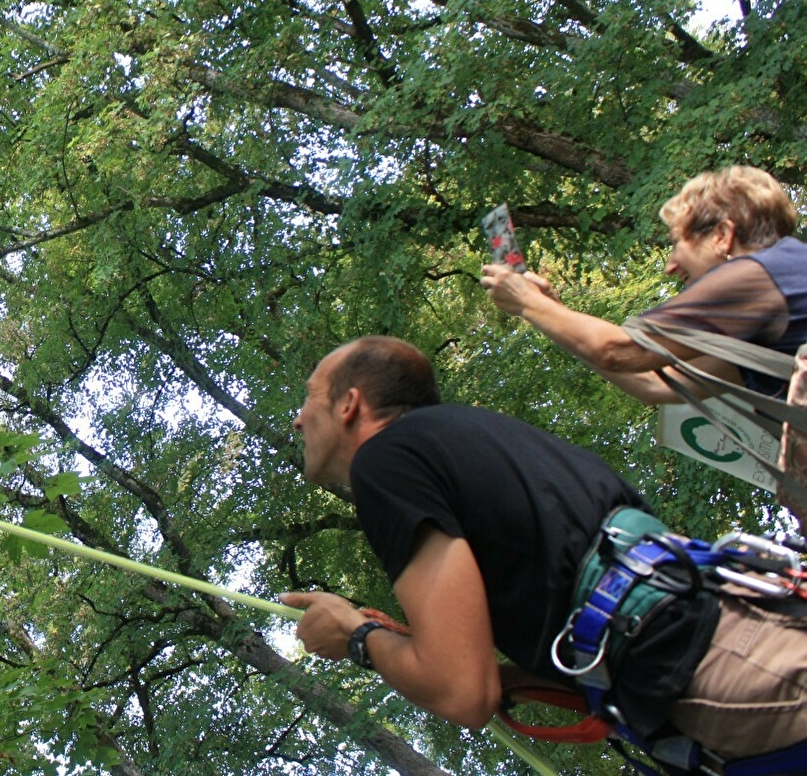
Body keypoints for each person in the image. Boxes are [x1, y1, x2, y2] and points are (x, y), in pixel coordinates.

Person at [282, 336, 807, 760]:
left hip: (724, 668)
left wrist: (356, 635)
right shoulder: (477, 441)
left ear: (349, 404)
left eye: (309, 396)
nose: (298, 419)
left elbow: (463, 693)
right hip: (737, 634)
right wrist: (501, 674)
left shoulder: (383, 463)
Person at [481, 165, 807, 401]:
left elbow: (617, 350)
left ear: (721, 236)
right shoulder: (769, 302)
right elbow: (655, 384)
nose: (670, 266)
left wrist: (528, 302)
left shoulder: (760, 274)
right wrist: (550, 309)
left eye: (677, 243)